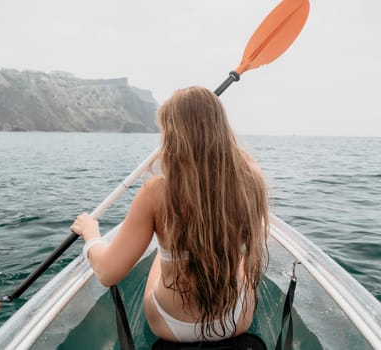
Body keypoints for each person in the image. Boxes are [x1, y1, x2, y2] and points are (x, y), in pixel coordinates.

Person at [70, 86, 270, 343]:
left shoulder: (156, 192)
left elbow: (108, 273)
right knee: (237, 257)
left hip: (172, 325)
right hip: (236, 318)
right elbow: (240, 164)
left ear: (172, 136)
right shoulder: (250, 180)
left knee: (163, 253)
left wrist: (91, 234)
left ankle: (169, 251)